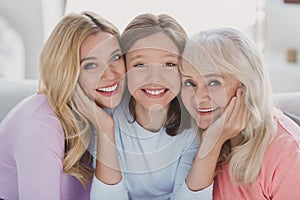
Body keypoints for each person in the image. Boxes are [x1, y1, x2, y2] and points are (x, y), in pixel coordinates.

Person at [0, 11, 126, 200]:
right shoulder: (40, 125)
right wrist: (106, 128)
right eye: (91, 65)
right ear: (68, 72)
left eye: (115, 57)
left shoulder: (113, 109)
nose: (110, 74)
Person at [180, 27, 300, 199]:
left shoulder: (288, 154)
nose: (198, 97)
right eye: (190, 83)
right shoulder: (190, 137)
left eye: (213, 82)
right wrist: (212, 144)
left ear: (246, 87)